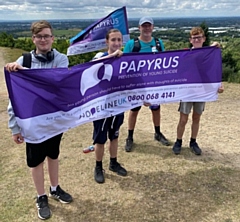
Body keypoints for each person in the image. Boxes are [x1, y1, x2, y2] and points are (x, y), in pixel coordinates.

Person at [5, 20, 72, 220]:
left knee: (53, 155)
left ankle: (54, 188)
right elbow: (14, 97)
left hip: (54, 120)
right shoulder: (23, 61)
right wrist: (14, 127)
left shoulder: (61, 59)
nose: (43, 39)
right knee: (36, 161)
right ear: (33, 39)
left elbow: (57, 83)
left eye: (47, 36)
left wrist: (27, 75)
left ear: (53, 38)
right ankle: (41, 196)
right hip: (32, 121)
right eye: (39, 36)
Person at [172, 26, 224, 155]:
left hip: (202, 91)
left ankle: (193, 141)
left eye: (199, 37)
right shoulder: (186, 54)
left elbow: (214, 71)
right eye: (194, 38)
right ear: (190, 40)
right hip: (188, 91)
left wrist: (219, 85)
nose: (196, 40)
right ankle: (178, 141)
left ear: (203, 39)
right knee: (183, 119)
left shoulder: (209, 54)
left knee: (197, 118)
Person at [123, 16, 170, 152]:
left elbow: (164, 62)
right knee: (134, 110)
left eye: (149, 25)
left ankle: (157, 133)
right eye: (144, 26)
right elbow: (125, 65)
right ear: (139, 28)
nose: (147, 28)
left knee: (156, 109)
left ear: (153, 27)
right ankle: (130, 136)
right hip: (137, 84)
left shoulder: (158, 42)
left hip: (153, 84)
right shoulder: (132, 44)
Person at [92, 29, 127, 184]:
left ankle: (113, 162)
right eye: (113, 40)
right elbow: (91, 69)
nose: (116, 43)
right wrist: (111, 57)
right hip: (101, 108)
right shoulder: (99, 57)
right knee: (100, 139)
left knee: (115, 136)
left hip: (118, 106)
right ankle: (98, 167)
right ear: (107, 42)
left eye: (119, 40)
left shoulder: (125, 60)